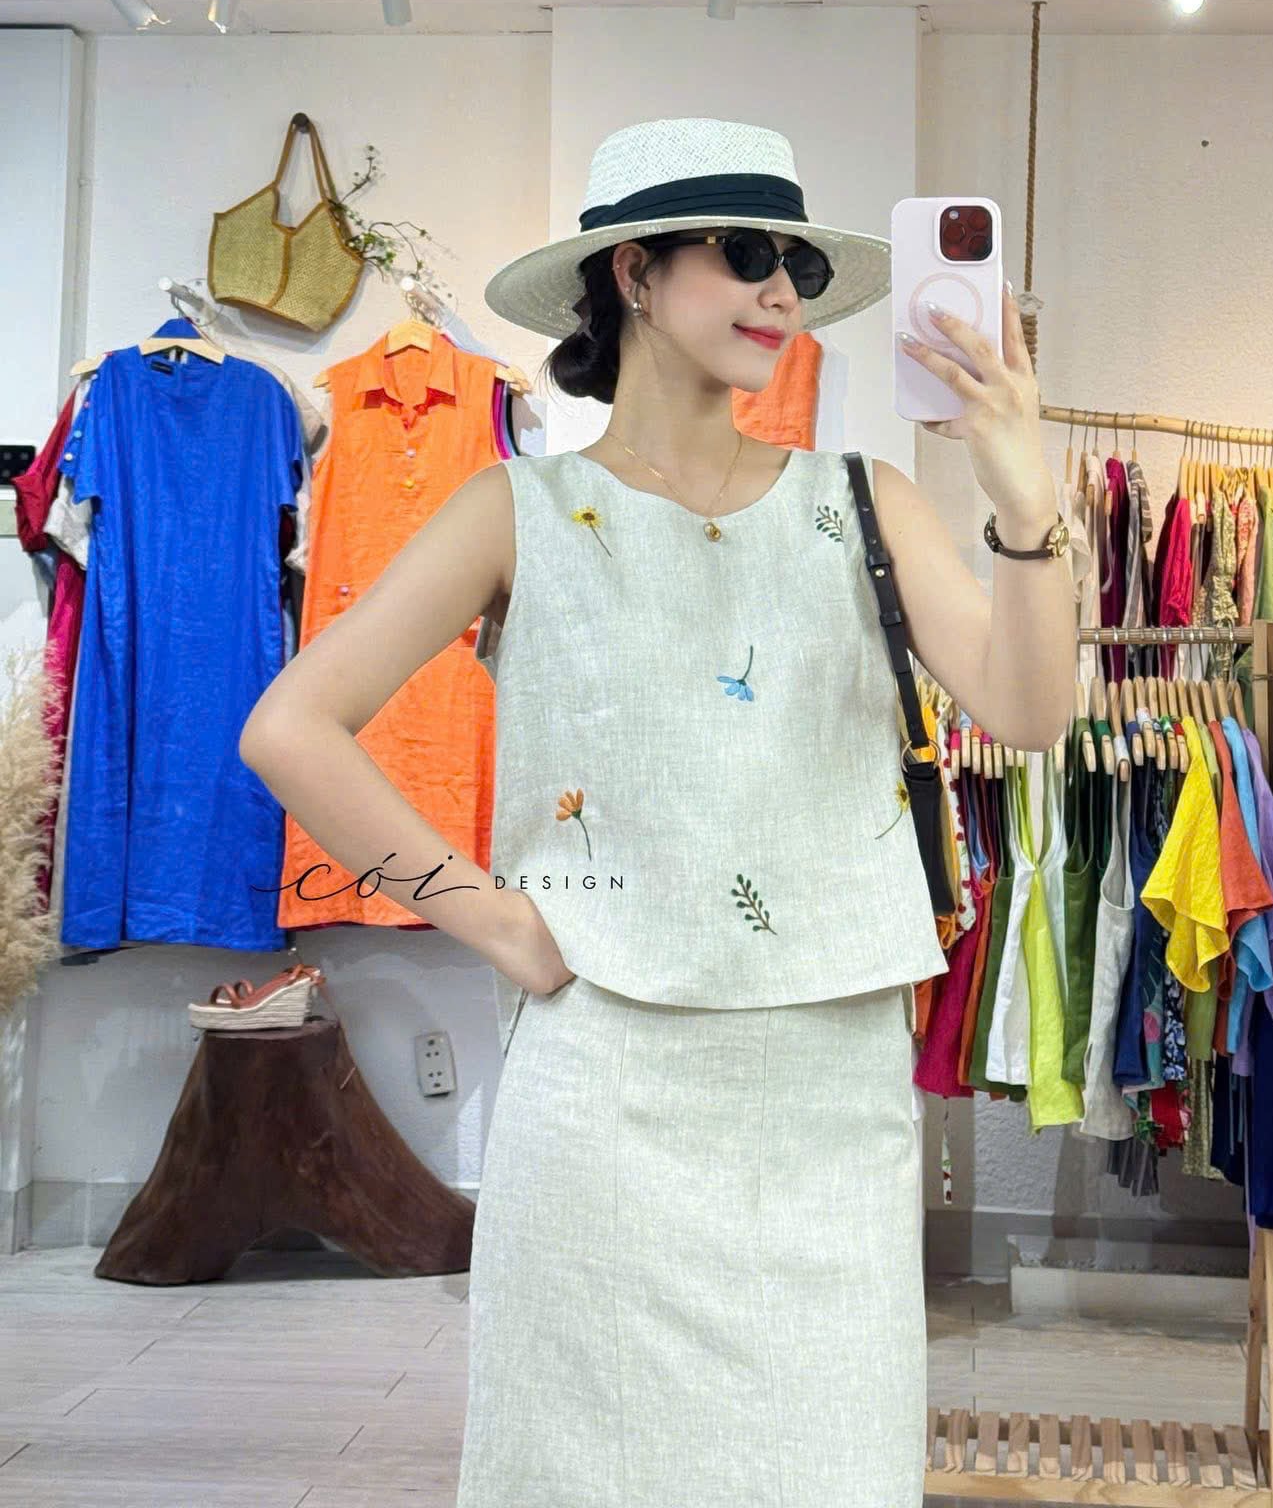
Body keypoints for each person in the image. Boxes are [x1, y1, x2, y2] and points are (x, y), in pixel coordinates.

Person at [240, 116, 1074, 1508]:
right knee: (587, 1468)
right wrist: (491, 919)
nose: (782, 293)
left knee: (829, 1467)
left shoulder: (862, 503)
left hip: (826, 1097)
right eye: (746, 254)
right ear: (632, 272)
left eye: (799, 266)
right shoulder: (516, 508)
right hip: (604, 1093)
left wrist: (1024, 503)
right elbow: (291, 728)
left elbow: (1032, 715)